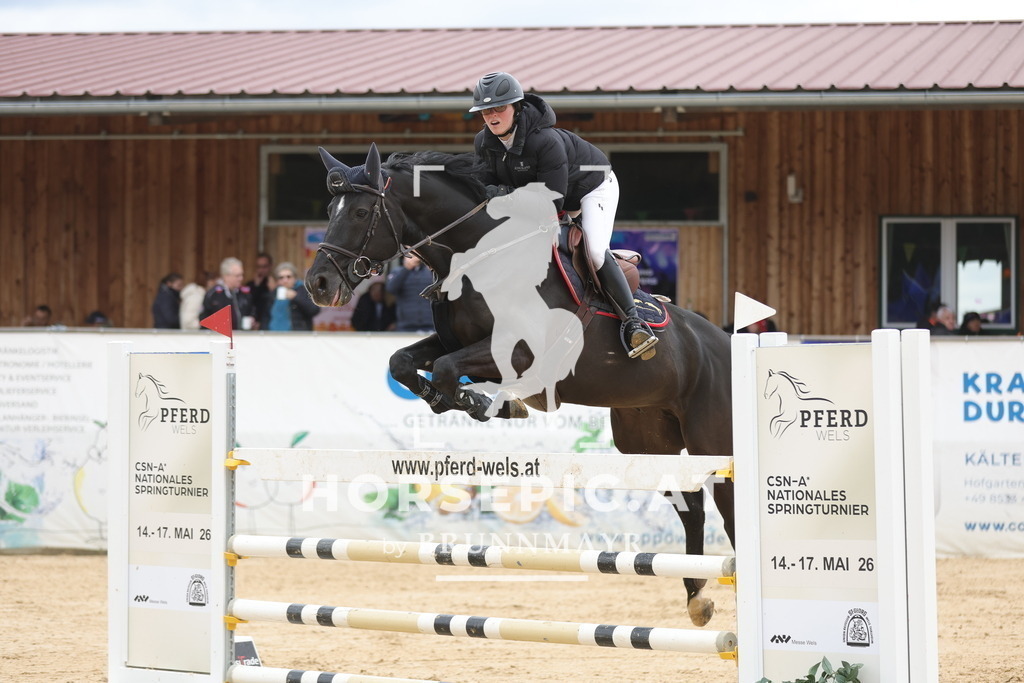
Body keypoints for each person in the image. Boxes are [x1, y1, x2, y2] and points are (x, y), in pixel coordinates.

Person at [469, 71, 657, 360]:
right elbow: (484, 190)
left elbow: (551, 200)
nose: (492, 116)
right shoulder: (483, 142)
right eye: (486, 111)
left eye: (499, 108)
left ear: (516, 107)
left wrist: (502, 194)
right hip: (544, 196)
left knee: (594, 252)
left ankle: (633, 323)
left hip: (591, 187)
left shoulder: (544, 140)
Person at [201, 257, 254, 330]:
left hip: (242, 335)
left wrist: (253, 319)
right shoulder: (213, 294)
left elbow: (252, 311)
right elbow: (203, 319)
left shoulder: (245, 294)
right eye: (237, 276)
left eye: (242, 275)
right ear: (226, 276)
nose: (241, 278)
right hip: (218, 335)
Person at [263, 262, 320, 331]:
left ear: (295, 278)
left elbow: (314, 310)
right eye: (281, 278)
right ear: (277, 280)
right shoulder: (273, 294)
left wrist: (296, 297)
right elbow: (266, 317)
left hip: (296, 335)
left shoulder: (303, 290)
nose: (285, 280)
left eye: (288, 277)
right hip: (273, 334)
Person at [386, 254, 435, 332]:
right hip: (406, 325)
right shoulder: (397, 271)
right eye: (410, 255)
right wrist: (406, 269)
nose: (413, 257)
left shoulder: (429, 272)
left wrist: (431, 267)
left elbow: (440, 288)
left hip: (430, 324)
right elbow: (391, 289)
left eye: (416, 254)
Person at [246, 252, 275, 330]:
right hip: (254, 322)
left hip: (270, 323)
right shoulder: (250, 285)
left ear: (270, 266)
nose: (261, 270)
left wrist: (273, 290)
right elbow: (249, 304)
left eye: (264, 266)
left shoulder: (274, 283)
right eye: (259, 267)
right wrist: (256, 286)